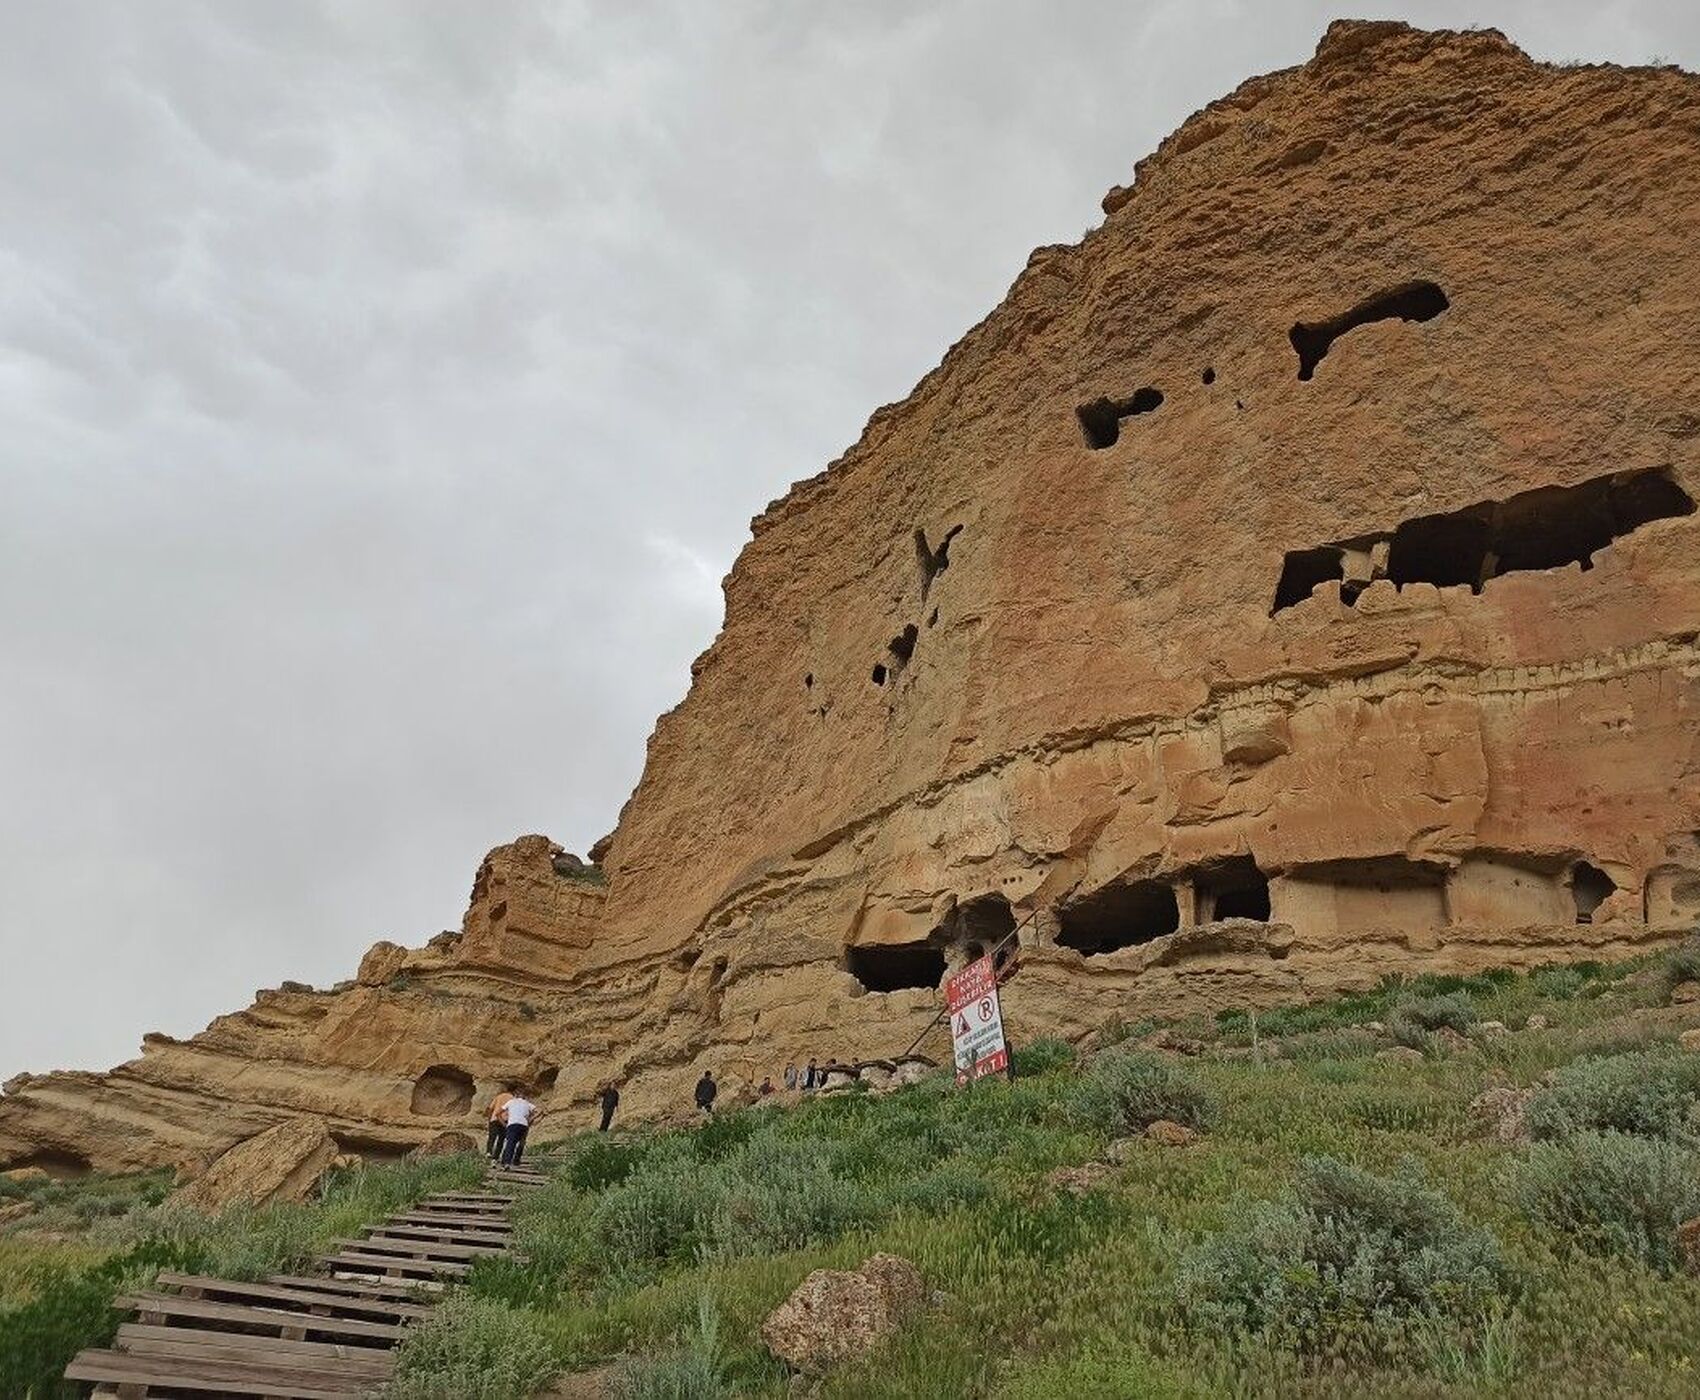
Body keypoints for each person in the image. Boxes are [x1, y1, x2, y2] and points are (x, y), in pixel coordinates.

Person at [500, 1093, 538, 1166]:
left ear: (515, 1096)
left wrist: (504, 1123)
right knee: (521, 1143)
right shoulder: (527, 1103)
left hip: (512, 1124)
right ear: (524, 1097)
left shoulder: (511, 1102)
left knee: (510, 1143)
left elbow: (498, 1112)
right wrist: (531, 1119)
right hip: (524, 1125)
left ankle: (506, 1162)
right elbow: (539, 1111)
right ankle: (516, 1161)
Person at [484, 1086, 514, 1160]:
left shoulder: (498, 1096)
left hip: (494, 1118)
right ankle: (496, 1157)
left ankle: (489, 1152)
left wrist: (489, 1118)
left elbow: (490, 1108)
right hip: (505, 1120)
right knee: (501, 1138)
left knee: (492, 1137)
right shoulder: (512, 1098)